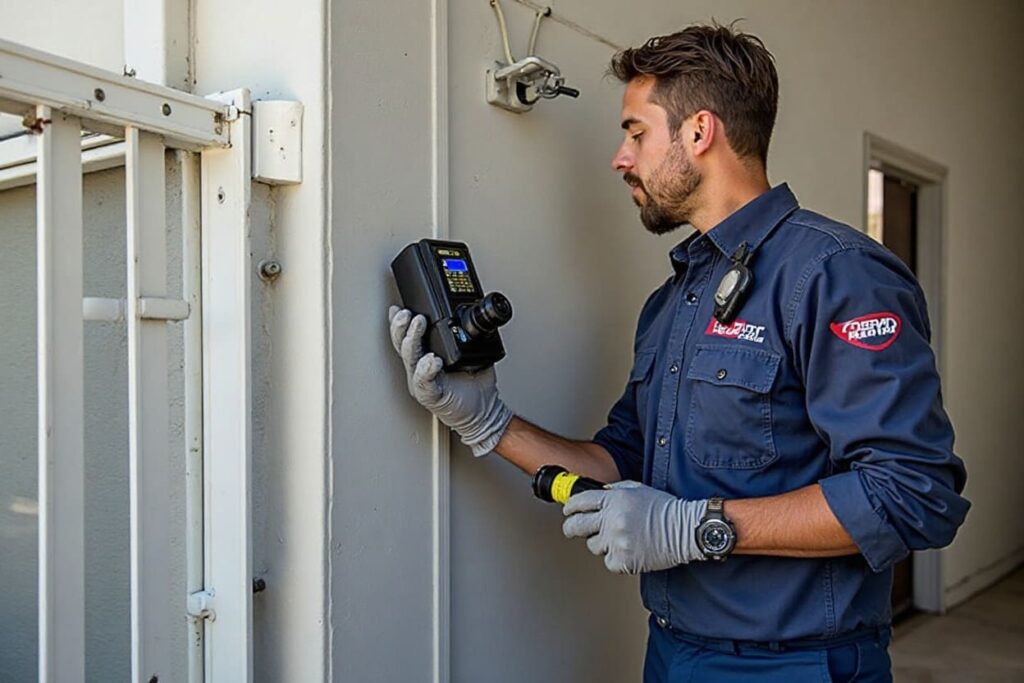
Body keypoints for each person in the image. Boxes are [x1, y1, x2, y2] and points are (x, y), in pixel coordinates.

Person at [387, 22, 969, 683]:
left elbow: (911, 493)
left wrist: (699, 527)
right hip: (672, 651)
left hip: (798, 664)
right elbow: (620, 460)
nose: (620, 157)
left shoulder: (836, 274)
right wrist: (489, 422)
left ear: (698, 132)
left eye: (636, 131)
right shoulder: (673, 303)